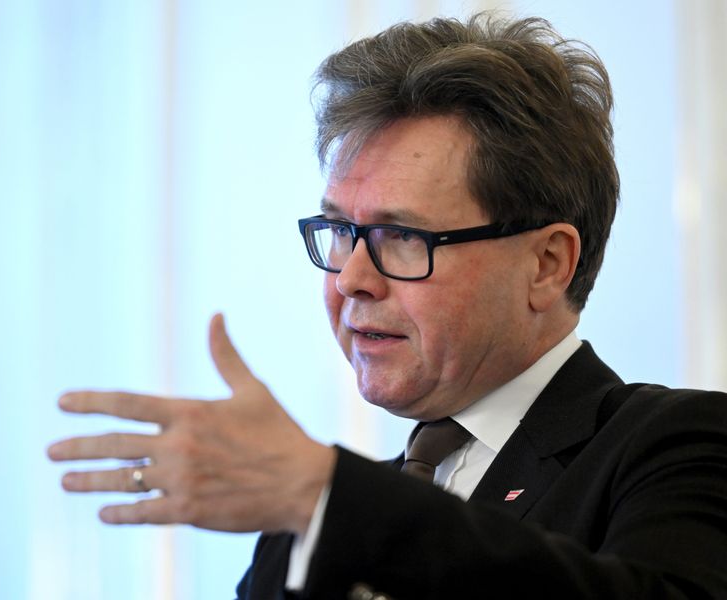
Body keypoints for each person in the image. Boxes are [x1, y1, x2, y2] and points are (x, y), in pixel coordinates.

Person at [48, 13, 727, 600]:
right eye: (341, 231)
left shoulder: (679, 446)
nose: (352, 278)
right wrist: (320, 501)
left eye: (401, 236)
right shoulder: (302, 524)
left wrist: (326, 495)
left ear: (546, 264)